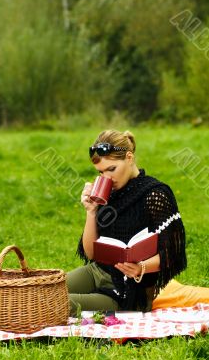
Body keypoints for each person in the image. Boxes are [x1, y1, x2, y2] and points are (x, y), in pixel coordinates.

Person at [66, 130, 187, 316]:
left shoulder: (155, 194)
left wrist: (141, 268)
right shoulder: (108, 193)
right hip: (97, 272)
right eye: (100, 172)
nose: (106, 178)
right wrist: (91, 212)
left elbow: (173, 254)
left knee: (57, 303)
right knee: (44, 290)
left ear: (129, 157)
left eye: (111, 169)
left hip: (129, 290)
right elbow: (91, 253)